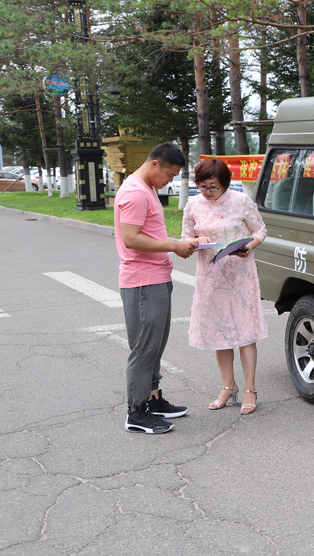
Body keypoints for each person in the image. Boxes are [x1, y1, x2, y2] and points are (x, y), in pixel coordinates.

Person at [115, 142, 199, 434]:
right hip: (143, 281)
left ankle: (152, 399)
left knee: (155, 344)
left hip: (156, 277)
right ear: (154, 165)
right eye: (170, 174)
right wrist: (174, 246)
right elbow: (132, 239)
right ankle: (136, 413)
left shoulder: (147, 189)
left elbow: (148, 233)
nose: (171, 181)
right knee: (144, 347)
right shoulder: (135, 192)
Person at [181, 158, 268, 415]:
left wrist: (248, 247)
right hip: (211, 277)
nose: (207, 192)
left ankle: (250, 388)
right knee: (220, 333)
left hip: (241, 275)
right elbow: (185, 239)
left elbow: (260, 230)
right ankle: (228, 385)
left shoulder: (241, 201)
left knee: (245, 332)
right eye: (202, 186)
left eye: (213, 187)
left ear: (225, 184)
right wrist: (197, 240)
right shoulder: (193, 204)